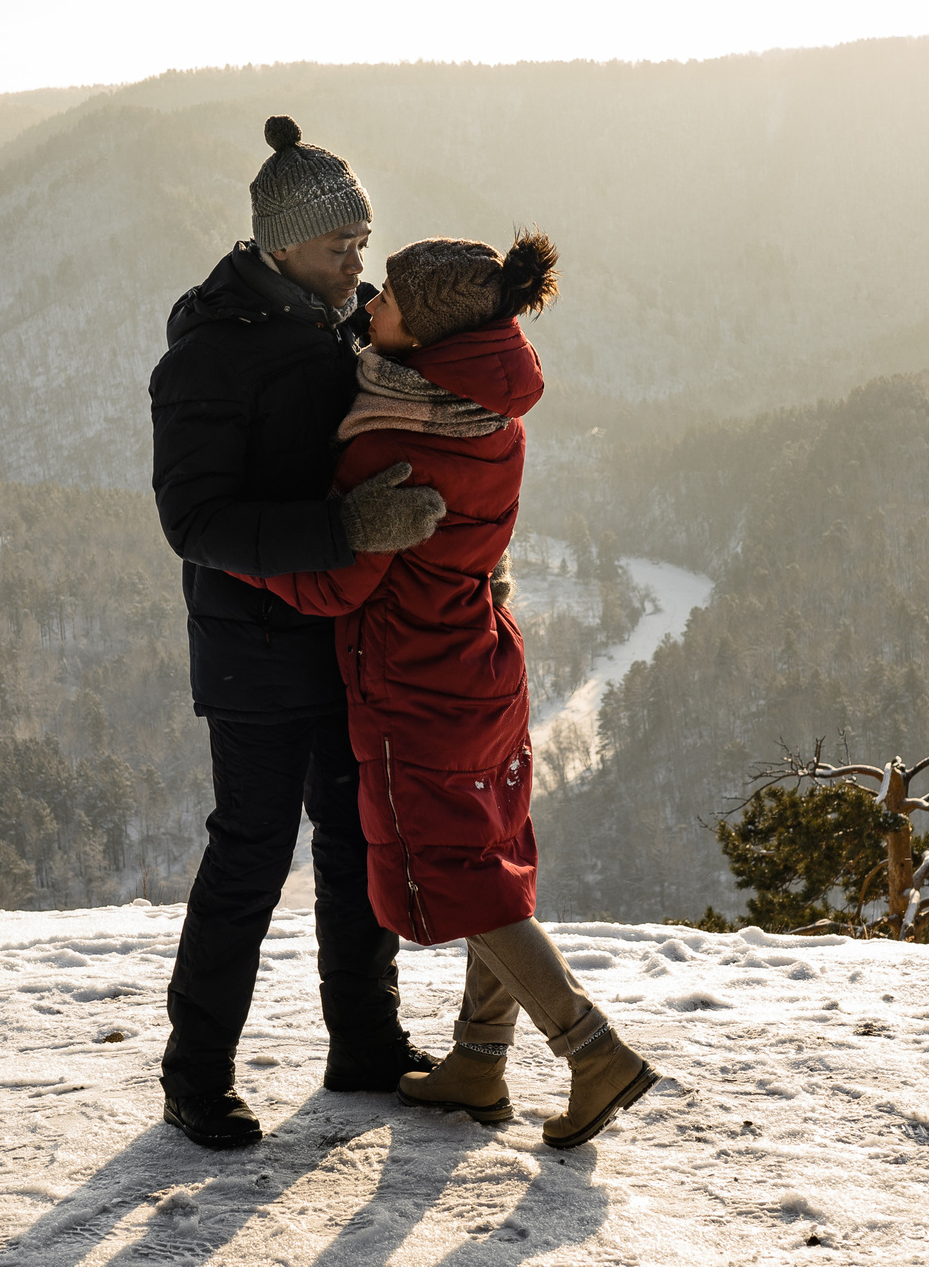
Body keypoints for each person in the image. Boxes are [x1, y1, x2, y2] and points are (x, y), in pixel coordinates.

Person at [242, 231, 662, 1151]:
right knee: (489, 852)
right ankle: (479, 1060)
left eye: (387, 297)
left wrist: (261, 562)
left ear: (428, 333)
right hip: (483, 656)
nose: (370, 307)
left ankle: (592, 1050)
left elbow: (342, 581)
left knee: (461, 876)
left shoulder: (392, 436)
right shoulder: (490, 412)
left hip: (412, 679)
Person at [148, 116, 444, 1149]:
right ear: (279, 243)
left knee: (358, 843)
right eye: (338, 244)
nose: (358, 259)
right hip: (252, 649)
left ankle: (363, 1042)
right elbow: (193, 519)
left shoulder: (342, 320)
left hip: (343, 636)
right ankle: (196, 1079)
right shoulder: (209, 355)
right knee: (251, 854)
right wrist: (341, 530)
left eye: (363, 239)